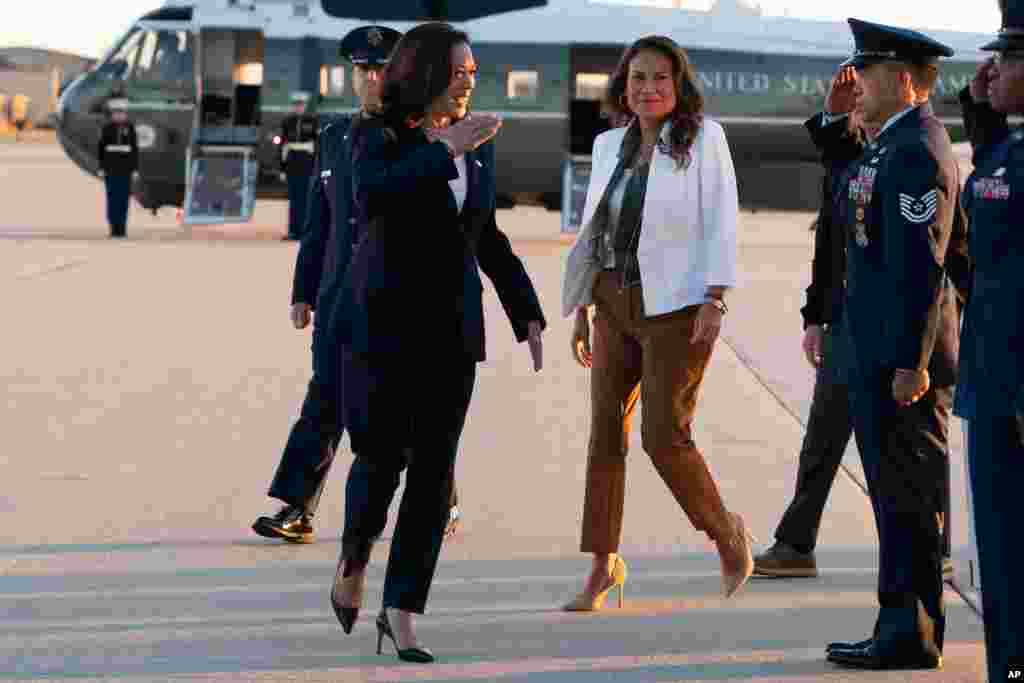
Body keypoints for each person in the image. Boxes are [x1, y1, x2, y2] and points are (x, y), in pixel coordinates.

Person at [326, 22, 546, 661]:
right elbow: (373, 197)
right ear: (423, 73)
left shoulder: (475, 143)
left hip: (452, 335)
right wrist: (444, 146)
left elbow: (486, 235)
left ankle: (402, 611)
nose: (470, 82)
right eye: (460, 72)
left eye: (474, 73)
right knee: (380, 461)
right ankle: (353, 558)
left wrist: (523, 310)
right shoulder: (375, 135)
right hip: (383, 329)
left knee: (432, 474)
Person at [560, 35, 752, 612]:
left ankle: (725, 532)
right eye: (637, 78)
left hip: (676, 308)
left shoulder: (703, 140)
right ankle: (602, 564)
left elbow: (722, 219)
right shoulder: (607, 146)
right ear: (623, 85)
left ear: (679, 85)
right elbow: (595, 231)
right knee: (604, 434)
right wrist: (583, 307)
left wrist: (717, 298)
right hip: (612, 304)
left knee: (664, 437)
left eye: (660, 78)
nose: (648, 88)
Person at [755, 69, 957, 582]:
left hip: (911, 331)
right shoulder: (860, 162)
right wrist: (816, 317)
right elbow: (831, 247)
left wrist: (924, 352)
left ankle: (937, 547)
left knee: (919, 450)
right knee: (822, 435)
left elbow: (937, 260)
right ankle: (796, 542)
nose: (858, 103)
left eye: (866, 87)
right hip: (850, 324)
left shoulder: (911, 154)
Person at [822, 19, 964, 671]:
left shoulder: (917, 150)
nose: (858, 85)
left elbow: (921, 265)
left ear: (905, 80)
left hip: (902, 361)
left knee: (909, 498)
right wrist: (834, 121)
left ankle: (910, 631)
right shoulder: (891, 143)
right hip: (877, 352)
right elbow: (848, 186)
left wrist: (911, 360)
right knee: (893, 497)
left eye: (868, 74)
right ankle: (896, 622)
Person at [955, 4, 1024, 676]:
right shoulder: (1009, 150)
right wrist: (982, 109)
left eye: (1009, 57)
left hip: (1019, 381)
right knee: (1000, 544)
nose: (993, 68)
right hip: (993, 376)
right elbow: (992, 184)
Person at [279, 91, 319, 240]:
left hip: (307, 163)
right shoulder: (287, 121)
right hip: (292, 162)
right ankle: (292, 231)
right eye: (296, 105)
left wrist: (317, 166)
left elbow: (317, 145)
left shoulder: (312, 121)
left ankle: (304, 232)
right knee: (293, 199)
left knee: (306, 199)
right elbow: (283, 146)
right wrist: (282, 168)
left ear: (305, 105)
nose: (299, 107)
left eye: (301, 105)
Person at [96, 97, 139, 239]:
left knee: (123, 200)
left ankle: (122, 229)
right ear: (112, 115)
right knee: (112, 199)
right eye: (116, 113)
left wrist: (135, 169)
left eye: (122, 113)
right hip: (111, 169)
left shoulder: (130, 128)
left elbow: (134, 150)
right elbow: (101, 149)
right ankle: (113, 228)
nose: (119, 115)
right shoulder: (107, 128)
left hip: (125, 170)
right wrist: (101, 168)